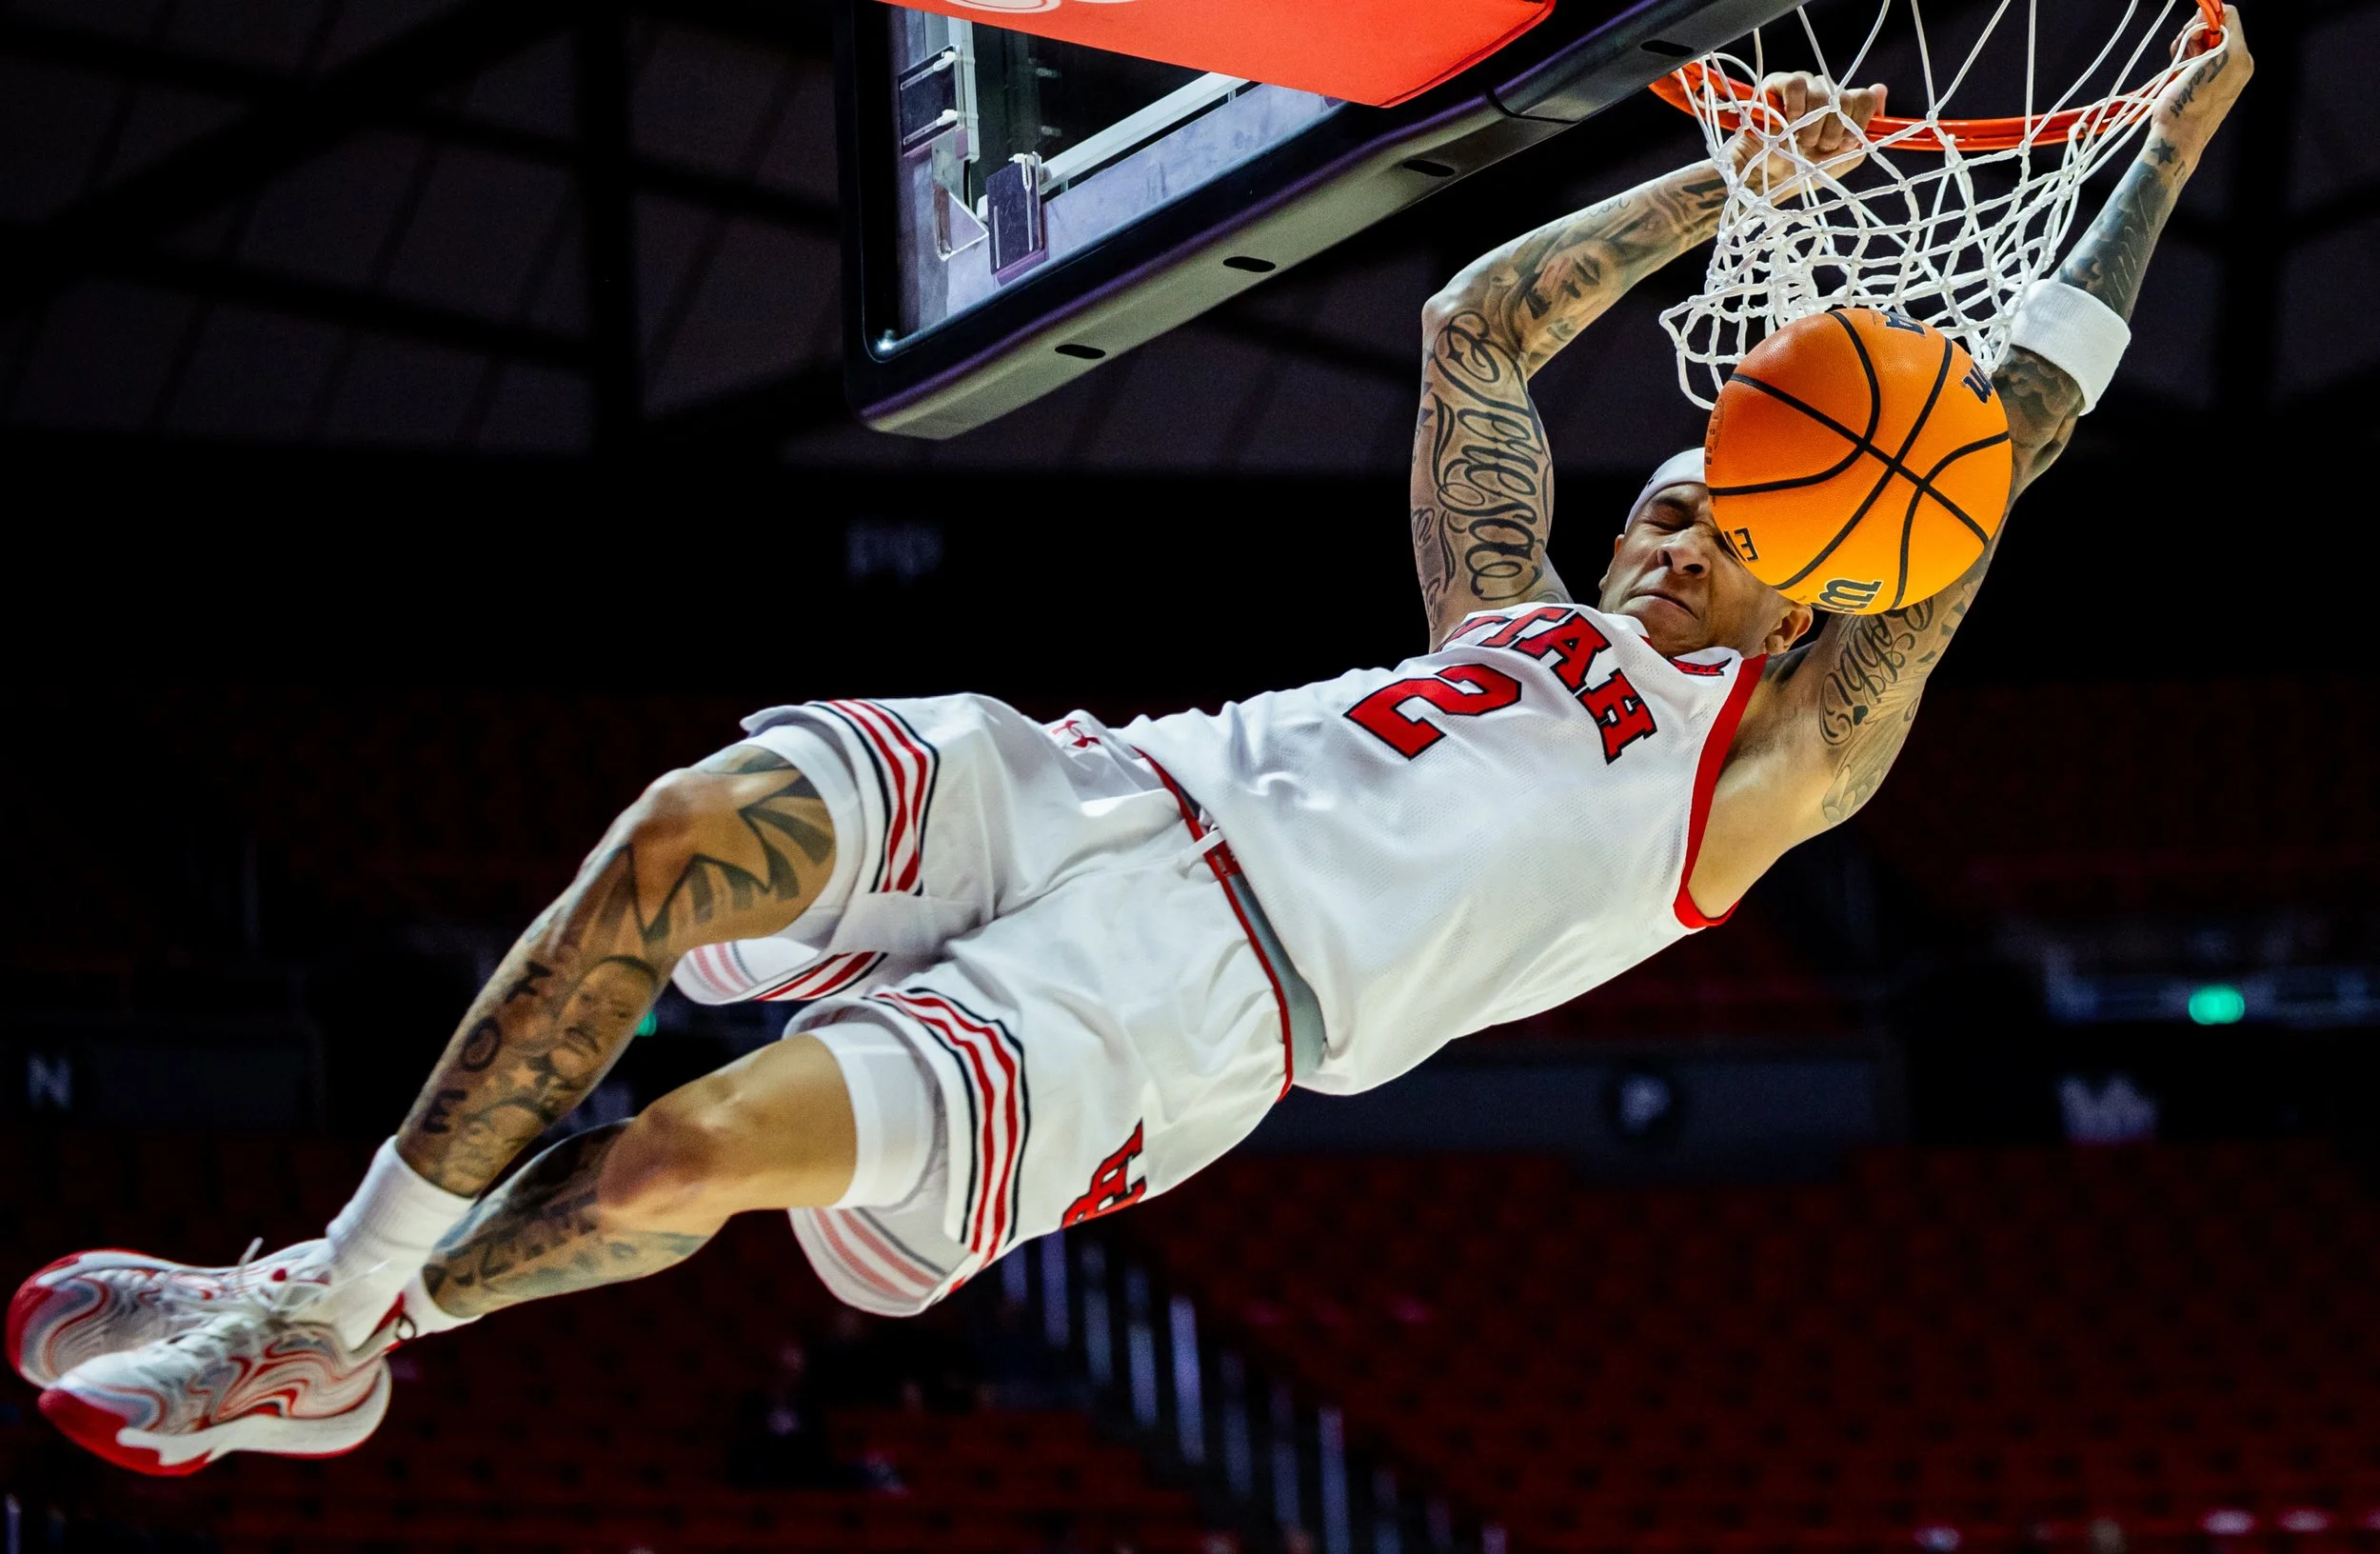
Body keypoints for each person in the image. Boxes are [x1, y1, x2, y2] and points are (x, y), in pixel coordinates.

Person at [13, 17, 2249, 1475]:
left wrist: (2148, 154)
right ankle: (304, 1292)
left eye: (1718, 527)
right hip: (1109, 787)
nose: (1663, 518)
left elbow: (2003, 436)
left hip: (1183, 1009)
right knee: (689, 829)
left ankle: (352, 1349)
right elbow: (1472, 337)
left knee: (690, 1160)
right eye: (1659, 491)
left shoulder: (1758, 785)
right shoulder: (1506, 613)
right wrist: (1724, 184)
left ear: (1821, 586)